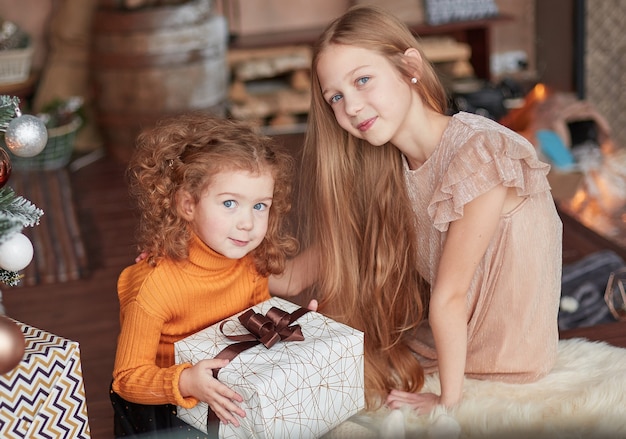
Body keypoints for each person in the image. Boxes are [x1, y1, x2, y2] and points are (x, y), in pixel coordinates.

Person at [270, 5, 562, 415]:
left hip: (502, 363)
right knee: (293, 379)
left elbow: (450, 296)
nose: (351, 107)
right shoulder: (389, 169)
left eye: (363, 80)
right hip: (435, 347)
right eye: (336, 96)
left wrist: (447, 403)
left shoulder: (481, 152)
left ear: (410, 66)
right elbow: (299, 273)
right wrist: (200, 262)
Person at [110, 112, 299, 437]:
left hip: (224, 390)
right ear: (187, 204)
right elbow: (126, 378)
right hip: (162, 407)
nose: (247, 223)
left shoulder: (250, 263)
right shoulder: (155, 286)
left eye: (259, 206)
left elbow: (256, 330)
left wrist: (289, 323)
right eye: (229, 203)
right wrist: (185, 381)